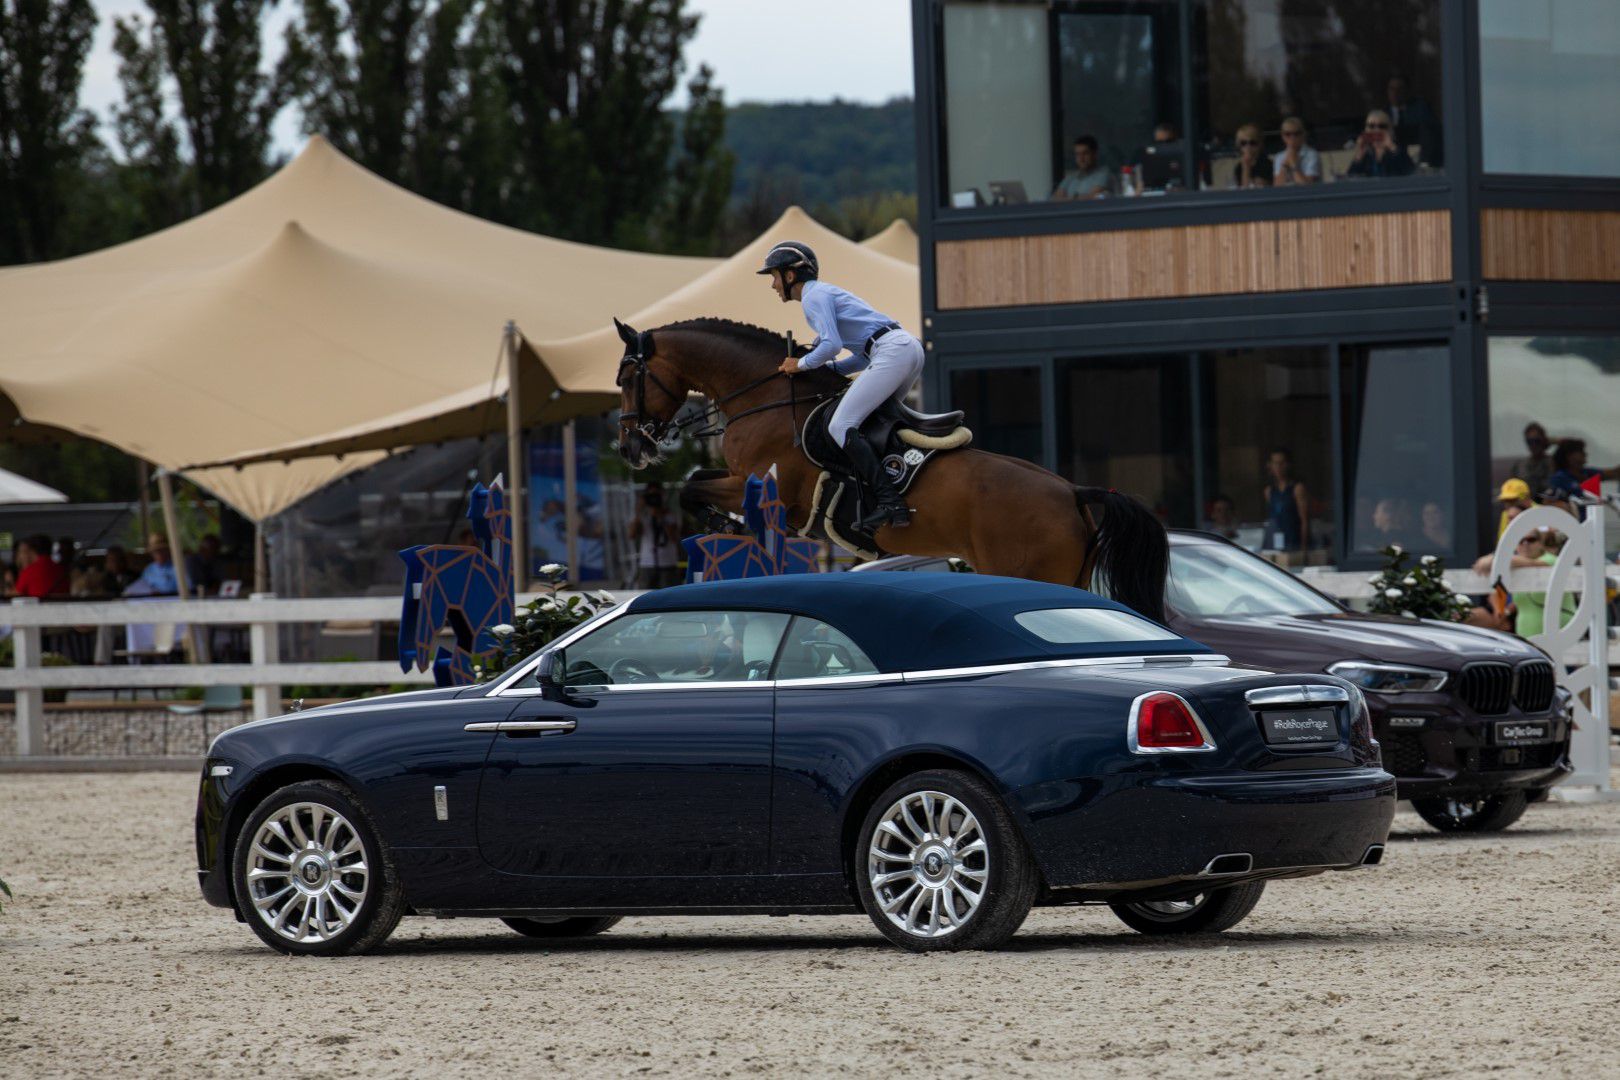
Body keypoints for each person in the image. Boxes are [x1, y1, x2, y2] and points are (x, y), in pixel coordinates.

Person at [764, 241, 924, 530]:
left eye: (774, 276)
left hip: (893, 351)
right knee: (878, 422)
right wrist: (827, 371)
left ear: (790, 276)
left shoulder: (813, 298)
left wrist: (800, 365)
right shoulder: (824, 293)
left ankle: (891, 502)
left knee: (840, 426)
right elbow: (861, 357)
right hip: (905, 348)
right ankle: (899, 480)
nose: (773, 285)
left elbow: (831, 345)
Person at [1472, 529, 1573, 638]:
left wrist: (1494, 560)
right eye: (1520, 540)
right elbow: (1497, 591)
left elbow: (1533, 564)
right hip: (1526, 635)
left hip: (1560, 633)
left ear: (1541, 544)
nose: (1525, 543)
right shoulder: (1514, 566)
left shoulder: (1551, 559)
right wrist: (1501, 611)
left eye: (1531, 539)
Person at [629, 485, 682, 590]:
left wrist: (660, 516)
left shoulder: (670, 514)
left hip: (667, 563)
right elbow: (632, 535)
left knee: (668, 594)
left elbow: (674, 538)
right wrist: (638, 511)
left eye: (657, 495)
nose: (654, 499)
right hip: (647, 563)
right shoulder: (643, 516)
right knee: (644, 594)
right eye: (651, 495)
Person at [1385, 74, 1440, 167]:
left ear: (1407, 91)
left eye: (1400, 89)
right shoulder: (1382, 115)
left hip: (1419, 160)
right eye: (1392, 89)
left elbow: (1431, 132)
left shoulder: (1420, 108)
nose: (1395, 92)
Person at [1262, 449, 1308, 554]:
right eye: (1275, 463)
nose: (1278, 467)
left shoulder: (1297, 488)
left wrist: (1304, 548)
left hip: (1293, 540)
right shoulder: (1269, 491)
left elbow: (1304, 520)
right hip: (1274, 540)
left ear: (1288, 465)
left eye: (1282, 463)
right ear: (1270, 466)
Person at [1348, 110, 1414, 178]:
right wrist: (1359, 155)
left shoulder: (1397, 150)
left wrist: (1392, 147)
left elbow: (1410, 171)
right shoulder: (1366, 153)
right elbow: (1350, 178)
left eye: (1382, 126)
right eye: (1371, 126)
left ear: (1389, 129)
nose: (1376, 130)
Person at [1548, 438, 1619, 499]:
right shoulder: (1559, 478)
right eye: (1581, 451)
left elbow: (1613, 473)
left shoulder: (1586, 472)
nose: (1585, 454)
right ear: (1569, 456)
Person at [1050, 135, 1112, 200]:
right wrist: (1076, 198)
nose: (1081, 158)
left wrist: (1068, 199)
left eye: (1085, 153)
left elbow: (1092, 200)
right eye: (1077, 154)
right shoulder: (1070, 177)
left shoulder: (1103, 174)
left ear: (1094, 154)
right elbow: (1055, 199)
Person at [1271, 117, 1320, 185]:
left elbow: (1307, 186)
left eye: (1296, 134)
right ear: (1283, 136)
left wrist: (1293, 164)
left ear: (1303, 134)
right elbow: (1277, 186)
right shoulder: (1279, 157)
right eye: (1288, 134)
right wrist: (1285, 165)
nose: (1292, 138)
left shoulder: (1312, 155)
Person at [1512, 422, 1556, 497]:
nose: (1533, 445)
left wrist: (1553, 441)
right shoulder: (1519, 466)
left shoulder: (1553, 463)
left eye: (1537, 441)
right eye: (1530, 441)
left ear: (1544, 440)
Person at [1229, 124, 1272, 189]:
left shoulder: (1266, 164)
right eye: (1243, 143)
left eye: (1252, 143)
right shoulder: (1239, 167)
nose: (1248, 146)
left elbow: (1254, 189)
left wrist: (1246, 166)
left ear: (1260, 144)